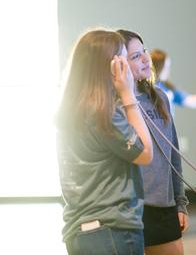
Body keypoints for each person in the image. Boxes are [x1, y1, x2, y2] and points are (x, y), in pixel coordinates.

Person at [55, 29, 154, 255]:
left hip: (80, 232)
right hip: (112, 232)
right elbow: (146, 153)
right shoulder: (103, 113)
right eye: (123, 59)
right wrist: (128, 95)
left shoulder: (73, 109)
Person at [117, 29, 189, 255]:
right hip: (131, 209)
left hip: (164, 207)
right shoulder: (115, 106)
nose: (146, 59)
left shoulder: (160, 97)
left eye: (144, 52)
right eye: (135, 56)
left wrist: (181, 202)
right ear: (118, 64)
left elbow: (173, 155)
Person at [150, 49, 196, 118]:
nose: (168, 70)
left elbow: (190, 100)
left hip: (168, 128)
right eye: (165, 67)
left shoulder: (168, 88)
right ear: (158, 66)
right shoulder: (148, 87)